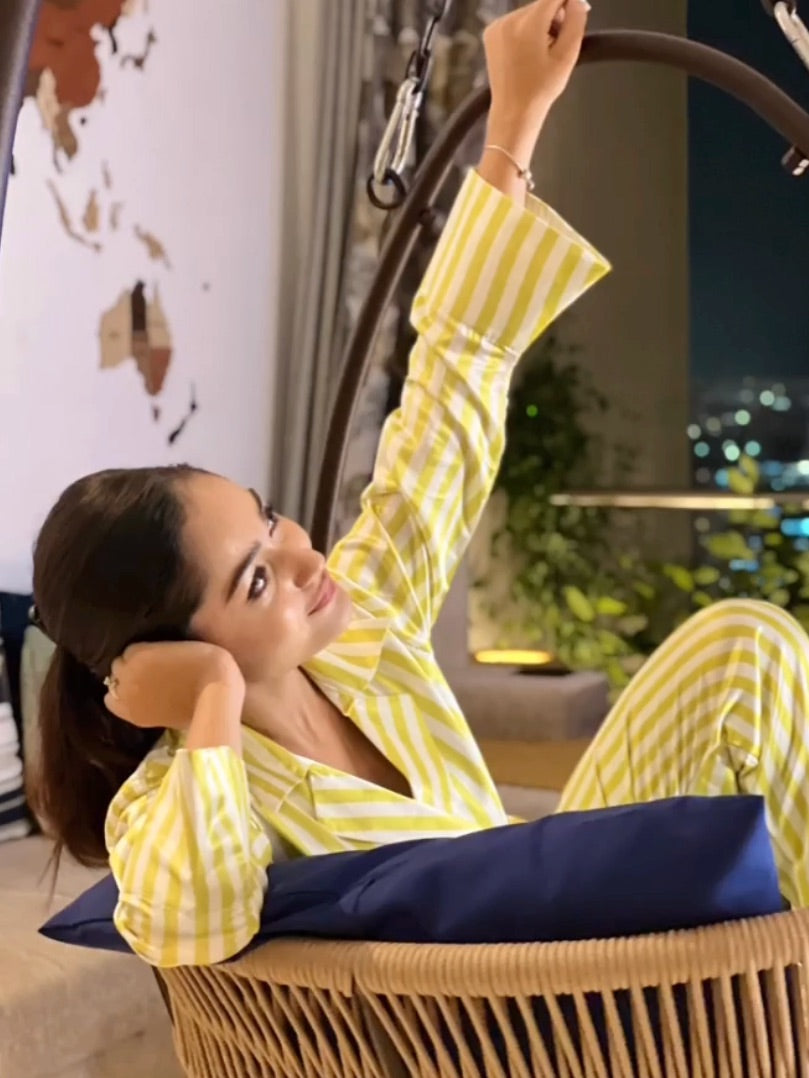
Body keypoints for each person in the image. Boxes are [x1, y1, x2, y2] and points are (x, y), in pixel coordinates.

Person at [29, 0, 809, 970]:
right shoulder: (174, 799)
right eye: (256, 579)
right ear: (173, 655)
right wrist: (214, 705)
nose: (303, 555)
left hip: (575, 941)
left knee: (745, 647)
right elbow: (197, 922)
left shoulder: (358, 634)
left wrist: (514, 123)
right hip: (501, 1028)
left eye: (270, 522)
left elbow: (449, 395)